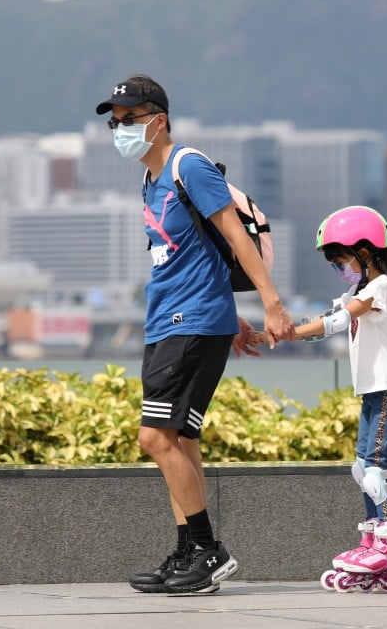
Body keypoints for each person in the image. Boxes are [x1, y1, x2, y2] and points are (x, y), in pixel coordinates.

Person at [94, 74, 294, 594]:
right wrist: (233, 321)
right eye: (115, 122)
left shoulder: (189, 166)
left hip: (191, 320)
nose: (120, 130)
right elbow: (192, 257)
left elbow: (232, 235)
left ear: (158, 121)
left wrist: (271, 304)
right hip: (172, 320)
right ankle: (188, 552)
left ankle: (208, 549)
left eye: (129, 120)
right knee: (181, 438)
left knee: (154, 437)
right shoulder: (149, 180)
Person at [254, 205, 387, 592]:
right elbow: (323, 320)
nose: (340, 270)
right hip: (374, 389)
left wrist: (287, 334)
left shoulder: (381, 288)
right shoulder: (355, 290)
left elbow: (338, 321)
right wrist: (273, 333)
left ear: (366, 252)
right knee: (362, 468)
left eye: (341, 261)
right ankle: (373, 538)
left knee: (377, 468)